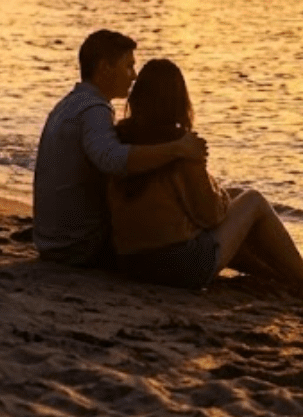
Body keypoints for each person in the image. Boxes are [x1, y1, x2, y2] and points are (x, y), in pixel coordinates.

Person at [106, 60, 303, 296]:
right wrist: (217, 193)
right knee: (254, 201)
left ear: (138, 97)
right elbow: (210, 216)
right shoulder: (183, 148)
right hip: (178, 268)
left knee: (236, 198)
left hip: (130, 262)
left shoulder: (120, 140)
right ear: (179, 101)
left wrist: (222, 196)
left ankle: (296, 272)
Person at [32, 30, 207, 268]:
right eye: (128, 66)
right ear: (105, 68)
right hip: (77, 245)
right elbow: (113, 160)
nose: (134, 76)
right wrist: (178, 148)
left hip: (51, 240)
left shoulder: (68, 104)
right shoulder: (94, 110)